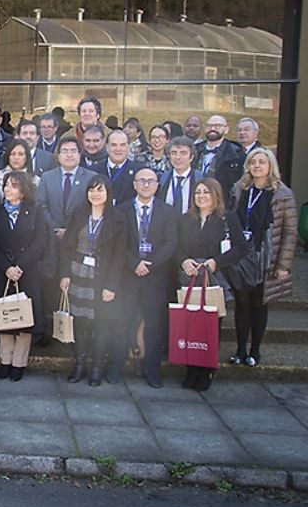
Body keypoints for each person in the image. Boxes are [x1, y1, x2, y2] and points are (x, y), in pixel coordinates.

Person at [178, 178, 250, 390]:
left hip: (214, 278)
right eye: (198, 192)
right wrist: (183, 260)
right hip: (190, 277)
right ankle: (191, 369)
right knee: (189, 325)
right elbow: (177, 247)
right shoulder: (186, 219)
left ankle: (206, 370)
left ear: (216, 195)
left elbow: (240, 248)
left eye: (206, 192)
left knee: (209, 326)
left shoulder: (227, 218)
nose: (201, 196)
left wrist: (216, 262)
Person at [228, 148, 298, 366]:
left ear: (271, 166)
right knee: (241, 303)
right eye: (253, 162)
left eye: (262, 162)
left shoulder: (282, 194)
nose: (257, 166)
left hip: (266, 257)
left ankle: (255, 351)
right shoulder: (239, 189)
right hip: (241, 255)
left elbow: (289, 232)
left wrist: (283, 264)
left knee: (259, 303)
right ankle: (240, 349)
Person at [59, 177, 127, 385]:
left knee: (101, 324)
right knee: (79, 321)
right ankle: (80, 365)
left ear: (108, 193)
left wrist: (111, 286)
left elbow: (120, 256)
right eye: (91, 190)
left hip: (102, 277)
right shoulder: (79, 214)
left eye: (100, 190)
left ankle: (97, 367)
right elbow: (67, 246)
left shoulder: (118, 219)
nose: (95, 194)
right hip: (78, 273)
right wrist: (64, 274)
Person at [113, 168, 178, 387]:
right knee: (122, 320)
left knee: (154, 324)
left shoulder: (168, 212)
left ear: (158, 185)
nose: (146, 184)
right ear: (134, 184)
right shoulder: (121, 211)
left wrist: (150, 264)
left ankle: (151, 368)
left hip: (155, 276)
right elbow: (118, 244)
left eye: (150, 181)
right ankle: (115, 365)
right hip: (127, 275)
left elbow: (171, 243)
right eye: (141, 180)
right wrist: (134, 264)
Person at [0, 171, 49, 381]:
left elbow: (40, 241)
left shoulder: (35, 211)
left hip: (26, 272)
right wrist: (6, 267)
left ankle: (19, 364)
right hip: (2, 272)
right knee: (5, 318)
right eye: (6, 186)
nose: (8, 189)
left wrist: (20, 266)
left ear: (23, 190)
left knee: (23, 320)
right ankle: (5, 361)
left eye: (13, 186)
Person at [195, 115, 243, 203]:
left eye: (217, 126)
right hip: (195, 201)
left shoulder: (236, 154)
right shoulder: (194, 150)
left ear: (226, 129)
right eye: (209, 126)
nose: (212, 128)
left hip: (222, 204)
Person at [87, 130, 139, 207]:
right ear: (107, 147)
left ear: (128, 147)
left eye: (122, 145)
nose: (118, 149)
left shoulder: (138, 171)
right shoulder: (92, 171)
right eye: (114, 145)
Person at [157, 136, 203, 216]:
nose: (178, 157)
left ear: (191, 157)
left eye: (183, 153)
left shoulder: (200, 179)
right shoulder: (162, 178)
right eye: (174, 153)